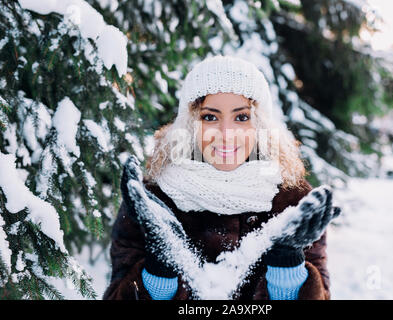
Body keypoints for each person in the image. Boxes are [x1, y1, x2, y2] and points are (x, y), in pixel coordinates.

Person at [103, 55, 340, 300]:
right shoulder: (152, 200)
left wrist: (287, 264)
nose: (226, 134)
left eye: (241, 117)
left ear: (259, 124)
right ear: (190, 122)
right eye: (210, 117)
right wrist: (160, 270)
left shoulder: (294, 201)